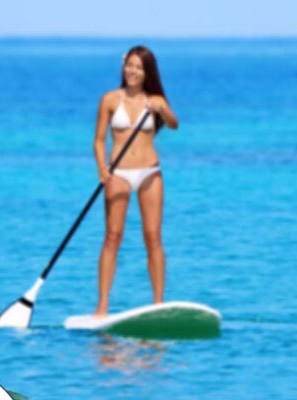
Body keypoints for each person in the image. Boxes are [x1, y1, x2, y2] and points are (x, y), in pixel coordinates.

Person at [93, 45, 179, 317]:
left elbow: (174, 124)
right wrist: (101, 167)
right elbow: (99, 140)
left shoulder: (155, 100)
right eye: (129, 65)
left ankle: (158, 303)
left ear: (147, 72)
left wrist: (162, 109)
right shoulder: (110, 99)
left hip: (149, 172)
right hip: (117, 173)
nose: (132, 71)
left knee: (153, 237)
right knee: (112, 237)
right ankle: (102, 306)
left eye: (138, 67)